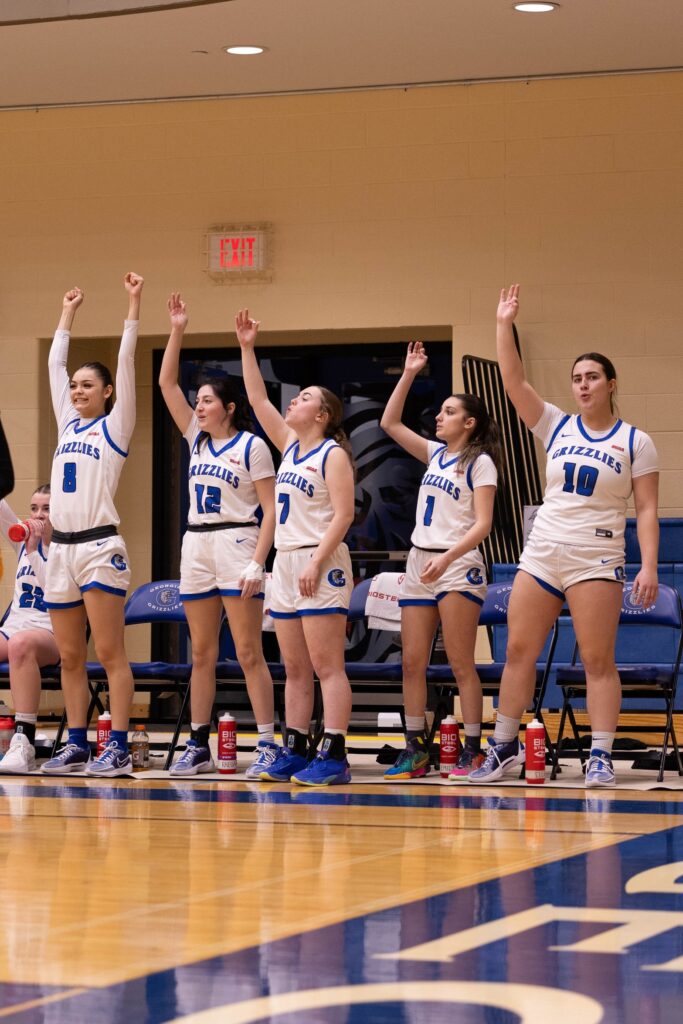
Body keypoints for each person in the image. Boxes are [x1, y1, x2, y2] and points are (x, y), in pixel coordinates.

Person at [469, 284, 659, 789]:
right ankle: (503, 747)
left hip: (597, 556)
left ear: (611, 384)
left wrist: (650, 564)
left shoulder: (636, 441)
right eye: (577, 378)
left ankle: (599, 755)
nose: (582, 385)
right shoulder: (556, 425)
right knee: (517, 652)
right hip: (544, 552)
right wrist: (502, 322)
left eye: (592, 377)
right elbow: (512, 383)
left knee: (598, 660)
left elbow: (647, 509)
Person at [159, 293, 277, 778]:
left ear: (228, 407)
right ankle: (200, 742)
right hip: (197, 544)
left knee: (248, 651)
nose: (198, 406)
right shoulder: (196, 438)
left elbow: (272, 511)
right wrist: (178, 329)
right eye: (198, 400)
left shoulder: (253, 447)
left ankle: (267, 741)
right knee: (201, 653)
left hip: (238, 543)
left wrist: (258, 561)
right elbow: (166, 383)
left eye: (207, 400)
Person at [236, 309, 355, 786]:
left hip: (318, 559)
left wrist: (317, 560)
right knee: (294, 667)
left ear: (321, 415)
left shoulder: (334, 453)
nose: (293, 402)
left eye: (304, 398)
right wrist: (247, 348)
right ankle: (296, 748)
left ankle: (336, 754)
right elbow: (257, 396)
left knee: (328, 666)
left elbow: (344, 515)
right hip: (285, 561)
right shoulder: (289, 445)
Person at [380, 342, 500, 780]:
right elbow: (389, 422)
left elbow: (483, 524)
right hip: (420, 560)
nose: (439, 416)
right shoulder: (434, 453)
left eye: (449, 412)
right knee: (411, 662)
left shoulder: (480, 462)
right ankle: (416, 747)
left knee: (460, 663)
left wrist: (447, 557)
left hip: (459, 562)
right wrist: (409, 372)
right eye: (440, 411)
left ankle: (471, 749)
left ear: (469, 423)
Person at [41, 273, 144, 777]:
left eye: (88, 385)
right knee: (68, 656)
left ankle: (119, 745)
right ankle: (78, 742)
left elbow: (127, 364)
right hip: (59, 551)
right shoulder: (67, 422)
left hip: (101, 547)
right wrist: (67, 314)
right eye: (75, 386)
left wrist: (132, 304)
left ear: (106, 393)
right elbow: (54, 364)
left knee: (108, 651)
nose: (78, 390)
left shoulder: (115, 426)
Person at [0, 486, 60, 773]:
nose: (38, 515)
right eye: (34, 508)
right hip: (14, 628)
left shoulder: (67, 548)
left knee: (20, 644)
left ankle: (23, 740)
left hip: (52, 633)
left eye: (46, 508)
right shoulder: (22, 542)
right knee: (16, 640)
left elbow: (56, 593)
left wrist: (37, 550)